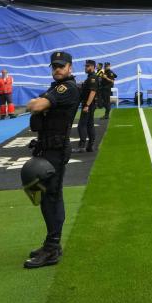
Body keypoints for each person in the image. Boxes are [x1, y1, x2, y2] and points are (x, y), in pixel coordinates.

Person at [23, 50, 80, 269]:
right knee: (47, 196)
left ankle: (52, 248)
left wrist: (35, 102)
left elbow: (37, 106)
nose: (57, 69)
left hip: (56, 150)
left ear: (69, 68)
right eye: (54, 66)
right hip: (47, 147)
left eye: (61, 66)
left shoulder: (67, 88)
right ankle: (51, 244)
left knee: (51, 197)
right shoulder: (56, 87)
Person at [76, 60, 99, 153]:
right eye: (85, 66)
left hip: (89, 105)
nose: (86, 68)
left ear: (93, 67)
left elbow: (93, 92)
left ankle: (82, 146)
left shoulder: (93, 78)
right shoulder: (90, 77)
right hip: (90, 104)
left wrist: (87, 105)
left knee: (81, 125)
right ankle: (90, 146)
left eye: (88, 66)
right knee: (89, 125)